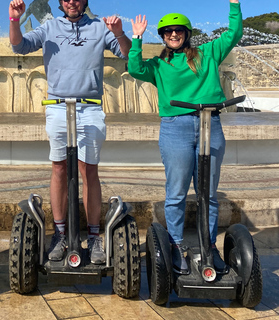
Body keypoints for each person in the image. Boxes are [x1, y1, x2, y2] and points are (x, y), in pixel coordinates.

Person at [9, 0, 131, 264]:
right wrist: (14, 20)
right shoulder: (49, 27)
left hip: (90, 107)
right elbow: (18, 46)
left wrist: (119, 33)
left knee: (89, 170)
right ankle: (60, 233)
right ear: (60, 2)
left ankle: (95, 235)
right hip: (58, 105)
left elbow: (126, 54)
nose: (72, 2)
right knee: (59, 168)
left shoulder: (100, 27)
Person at [128, 0, 243, 274]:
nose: (174, 35)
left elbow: (234, 33)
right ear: (163, 37)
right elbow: (134, 68)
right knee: (177, 192)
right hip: (175, 128)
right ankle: (177, 245)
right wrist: (136, 38)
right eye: (168, 32)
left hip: (209, 124)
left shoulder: (208, 52)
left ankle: (208, 246)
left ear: (187, 33)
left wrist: (235, 4)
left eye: (178, 30)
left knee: (208, 194)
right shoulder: (159, 64)